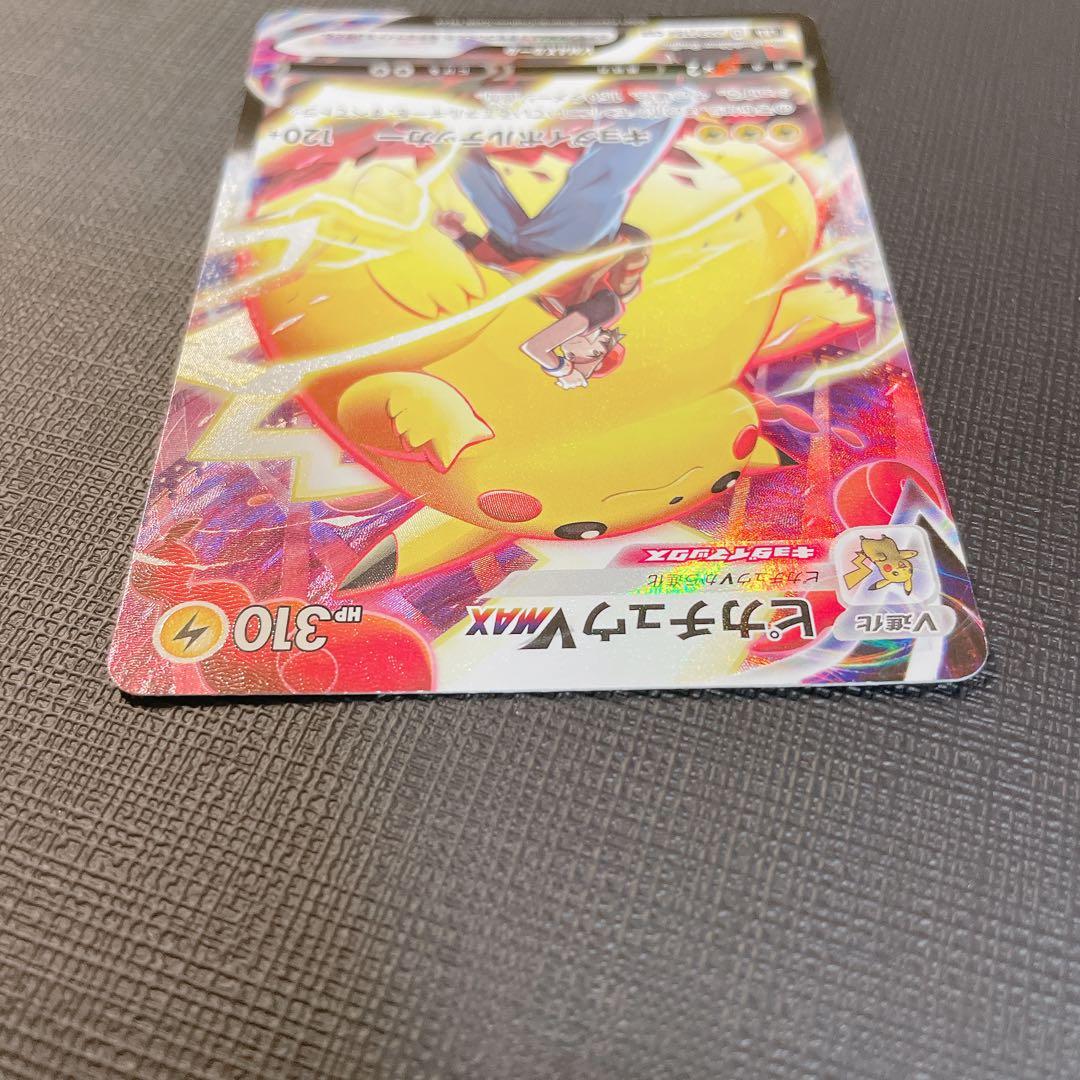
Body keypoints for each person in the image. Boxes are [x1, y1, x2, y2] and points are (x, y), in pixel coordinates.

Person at [436, 115, 680, 388]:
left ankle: (442, 132)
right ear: (600, 347)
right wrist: (562, 371)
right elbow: (535, 347)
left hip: (523, 248)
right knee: (603, 180)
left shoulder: (555, 308)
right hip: (572, 245)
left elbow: (523, 276)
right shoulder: (607, 311)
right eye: (577, 356)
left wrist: (463, 237)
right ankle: (663, 110)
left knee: (479, 185)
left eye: (568, 356)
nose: (566, 351)